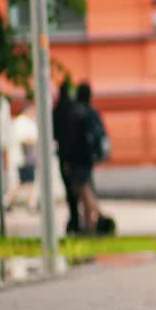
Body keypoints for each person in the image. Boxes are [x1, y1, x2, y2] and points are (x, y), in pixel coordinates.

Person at [65, 83, 109, 234]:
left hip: (78, 159)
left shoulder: (76, 112)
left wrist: (68, 160)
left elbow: (71, 139)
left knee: (84, 191)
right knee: (85, 190)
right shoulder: (92, 112)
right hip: (88, 158)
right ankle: (91, 223)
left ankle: (92, 223)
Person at [53, 82, 82, 234]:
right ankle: (79, 219)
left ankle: (75, 218)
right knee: (79, 189)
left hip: (64, 157)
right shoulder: (74, 110)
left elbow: (54, 134)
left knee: (70, 191)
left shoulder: (57, 111)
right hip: (76, 157)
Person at [7, 104, 39, 211]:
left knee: (26, 182)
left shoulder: (25, 122)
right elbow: (24, 139)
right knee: (27, 182)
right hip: (24, 158)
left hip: (27, 158)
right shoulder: (22, 122)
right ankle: (30, 204)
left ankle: (29, 203)